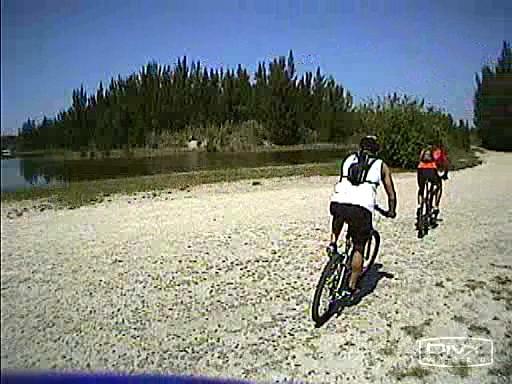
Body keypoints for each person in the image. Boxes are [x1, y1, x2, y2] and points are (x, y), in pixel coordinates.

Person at [328, 135, 397, 299]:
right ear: (376, 149)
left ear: (360, 147)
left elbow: (341, 182)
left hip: (338, 201)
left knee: (339, 214)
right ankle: (351, 286)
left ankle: (332, 243)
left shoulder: (349, 159)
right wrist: (391, 210)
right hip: (361, 208)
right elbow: (391, 193)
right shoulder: (381, 165)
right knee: (359, 247)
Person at [416, 144, 442, 221]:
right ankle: (436, 206)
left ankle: (420, 205)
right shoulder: (436, 151)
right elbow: (440, 162)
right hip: (431, 170)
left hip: (421, 170)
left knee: (421, 189)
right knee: (438, 186)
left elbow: (419, 158)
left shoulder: (423, 150)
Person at [432, 143, 449, 217]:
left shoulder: (428, 151)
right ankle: (436, 205)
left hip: (426, 171)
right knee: (439, 187)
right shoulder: (440, 152)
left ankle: (424, 201)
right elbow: (445, 164)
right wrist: (445, 174)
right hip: (436, 172)